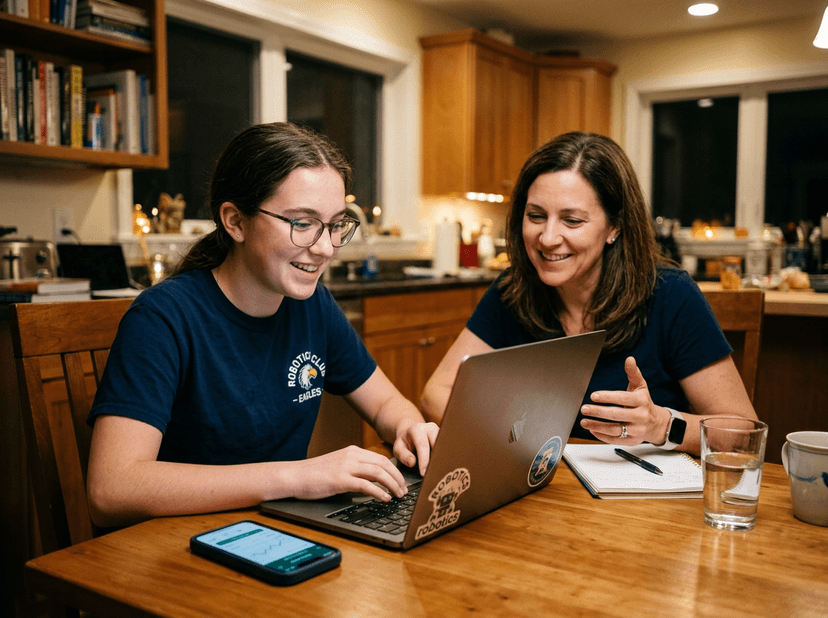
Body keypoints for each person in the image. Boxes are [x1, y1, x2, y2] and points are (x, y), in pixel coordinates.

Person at [87, 122, 438, 528]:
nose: (325, 248)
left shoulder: (313, 305)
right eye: (302, 223)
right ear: (235, 221)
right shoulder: (164, 318)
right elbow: (111, 489)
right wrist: (297, 476)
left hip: (272, 531)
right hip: (175, 547)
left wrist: (410, 428)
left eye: (335, 224)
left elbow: (385, 403)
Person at [421, 132, 757, 456]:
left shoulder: (671, 295)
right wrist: (516, 436)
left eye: (572, 220)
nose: (548, 238)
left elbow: (743, 433)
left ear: (615, 227)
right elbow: (436, 394)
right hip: (542, 493)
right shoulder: (512, 289)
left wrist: (662, 425)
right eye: (536, 216)